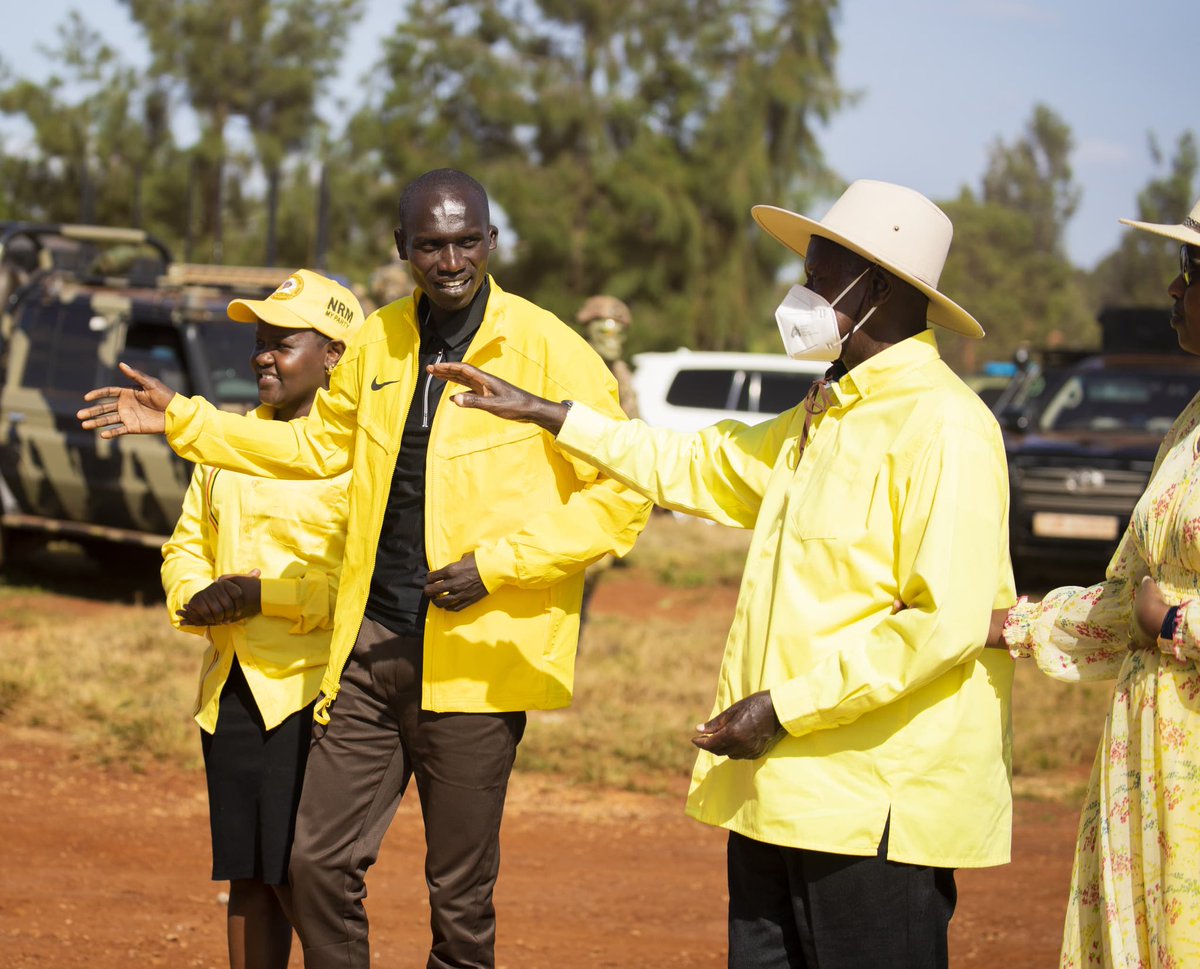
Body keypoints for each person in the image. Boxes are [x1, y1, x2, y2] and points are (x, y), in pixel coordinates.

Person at [429, 179, 1017, 969]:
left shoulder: (945, 426)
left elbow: (941, 624)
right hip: (778, 794)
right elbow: (700, 465)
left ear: (875, 289)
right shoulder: (826, 413)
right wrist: (552, 414)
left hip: (873, 809)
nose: (799, 295)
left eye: (818, 277)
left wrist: (783, 707)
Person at [77, 168, 650, 969]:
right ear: (402, 246)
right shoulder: (380, 339)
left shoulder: (552, 349)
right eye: (431, 244)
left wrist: (498, 566)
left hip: (477, 660)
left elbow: (622, 495)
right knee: (314, 863)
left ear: (491, 241)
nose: (451, 261)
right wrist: (184, 420)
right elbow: (314, 446)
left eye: (467, 241)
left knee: (459, 897)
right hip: (373, 649)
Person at [990, 200, 1200, 967]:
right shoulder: (1189, 423)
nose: (1174, 289)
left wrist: (1174, 624)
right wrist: (1010, 624)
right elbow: (1129, 598)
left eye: (1192, 271)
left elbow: (1153, 609)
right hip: (1151, 748)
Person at [162, 269, 364, 969]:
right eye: (259, 341)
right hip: (233, 689)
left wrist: (262, 597)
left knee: (302, 879)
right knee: (248, 875)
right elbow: (187, 544)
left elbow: (358, 585)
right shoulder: (230, 439)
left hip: (317, 696)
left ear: (334, 355)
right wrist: (196, 596)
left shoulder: (358, 458)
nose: (262, 357)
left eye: (282, 342)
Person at [576, 294, 639, 420]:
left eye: (620, 332)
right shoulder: (577, 365)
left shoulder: (621, 373)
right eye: (606, 330)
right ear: (590, 331)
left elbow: (634, 418)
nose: (614, 338)